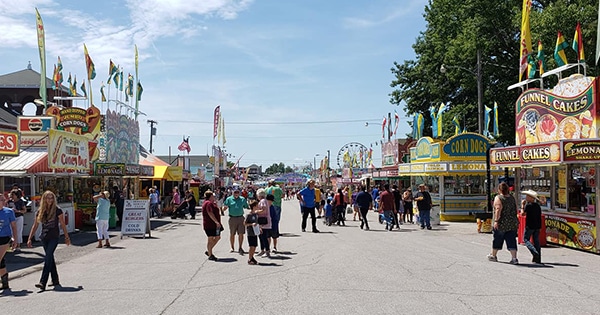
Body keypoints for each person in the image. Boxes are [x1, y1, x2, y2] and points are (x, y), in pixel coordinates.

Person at [27, 190, 71, 291]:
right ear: (44, 199)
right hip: (44, 237)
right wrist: (29, 238)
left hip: (54, 237)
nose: (50, 200)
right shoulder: (40, 211)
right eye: (48, 198)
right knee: (50, 258)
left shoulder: (57, 210)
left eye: (51, 198)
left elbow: (62, 224)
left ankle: (42, 282)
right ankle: (55, 280)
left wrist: (66, 237)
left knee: (47, 258)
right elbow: (35, 225)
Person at [487, 182, 519, 264]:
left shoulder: (499, 198)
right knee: (511, 240)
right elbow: (516, 208)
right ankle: (514, 258)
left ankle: (493, 255)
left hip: (502, 223)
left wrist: (496, 221)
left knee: (497, 238)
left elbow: (498, 209)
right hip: (512, 222)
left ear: (499, 189)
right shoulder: (512, 197)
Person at [223, 188, 249, 254]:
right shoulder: (229, 199)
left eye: (237, 192)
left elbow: (246, 206)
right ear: (232, 193)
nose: (236, 194)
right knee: (232, 234)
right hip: (232, 218)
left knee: (241, 233)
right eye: (235, 192)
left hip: (240, 218)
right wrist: (223, 209)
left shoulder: (242, 199)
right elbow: (225, 207)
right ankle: (232, 247)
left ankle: (240, 247)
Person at [0, 195, 18, 290]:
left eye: (3, 200)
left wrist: (15, 238)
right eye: (1, 200)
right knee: (1, 261)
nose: (2, 201)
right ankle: (5, 282)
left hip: (5, 238)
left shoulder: (9, 212)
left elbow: (14, 226)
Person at [521, 189, 542, 264]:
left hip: (530, 225)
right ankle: (538, 258)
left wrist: (522, 206)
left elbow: (523, 214)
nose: (526, 197)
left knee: (526, 239)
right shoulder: (537, 206)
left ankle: (534, 252)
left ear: (531, 198)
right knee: (536, 241)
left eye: (528, 196)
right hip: (537, 225)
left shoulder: (528, 205)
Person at [202, 190, 221, 261]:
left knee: (217, 237)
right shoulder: (208, 203)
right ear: (210, 196)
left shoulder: (211, 203)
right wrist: (216, 221)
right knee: (210, 239)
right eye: (213, 196)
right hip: (210, 224)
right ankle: (210, 254)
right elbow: (210, 213)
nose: (214, 197)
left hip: (214, 225)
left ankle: (209, 251)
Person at [257, 191, 273, 257]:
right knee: (261, 236)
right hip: (263, 221)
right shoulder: (264, 200)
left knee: (263, 237)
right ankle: (262, 250)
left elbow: (264, 209)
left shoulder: (263, 201)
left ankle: (267, 251)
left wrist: (256, 211)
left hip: (263, 221)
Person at [244, 200, 261, 265]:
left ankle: (252, 257)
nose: (258, 207)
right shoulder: (249, 215)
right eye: (257, 206)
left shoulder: (255, 214)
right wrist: (251, 224)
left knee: (255, 246)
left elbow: (257, 222)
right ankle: (249, 258)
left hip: (255, 232)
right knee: (251, 246)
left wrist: (259, 228)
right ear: (254, 206)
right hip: (250, 232)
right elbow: (245, 223)